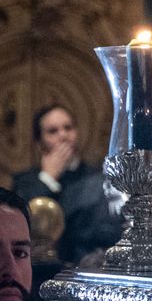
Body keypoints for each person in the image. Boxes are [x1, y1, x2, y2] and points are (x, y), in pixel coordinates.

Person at [12, 104, 121, 265]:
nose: (63, 135)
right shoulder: (24, 181)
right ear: (40, 141)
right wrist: (47, 178)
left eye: (68, 128)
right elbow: (23, 225)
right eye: (52, 131)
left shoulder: (99, 178)